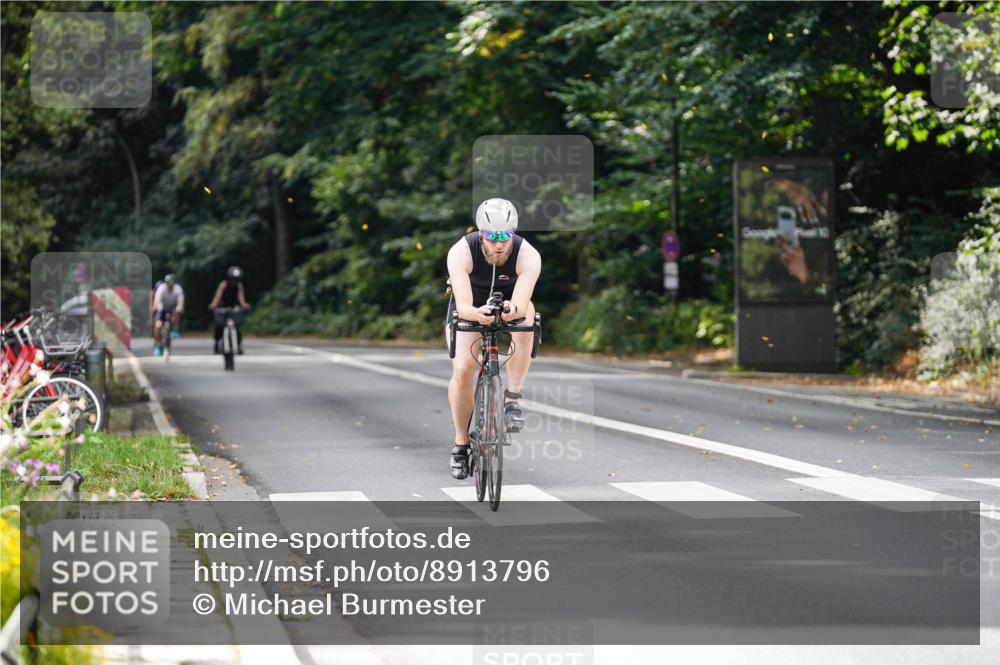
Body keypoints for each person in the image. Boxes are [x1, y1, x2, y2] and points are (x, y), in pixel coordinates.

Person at [445, 198, 541, 480]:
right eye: (491, 236)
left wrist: (511, 310)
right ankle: (461, 444)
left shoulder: (528, 255)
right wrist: (477, 314)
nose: (498, 244)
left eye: (505, 236)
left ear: (513, 233)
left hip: (510, 302)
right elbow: (463, 308)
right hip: (470, 305)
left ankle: (511, 399)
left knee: (527, 322)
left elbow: (522, 305)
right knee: (463, 369)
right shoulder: (461, 252)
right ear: (480, 233)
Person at [207, 266, 251, 354]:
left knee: (237, 326)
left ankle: (238, 345)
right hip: (222, 308)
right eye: (233, 279)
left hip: (234, 308)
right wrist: (214, 305)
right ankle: (217, 342)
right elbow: (217, 297)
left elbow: (241, 299)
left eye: (236, 279)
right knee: (219, 326)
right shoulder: (223, 285)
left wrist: (244, 305)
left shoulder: (239, 286)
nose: (234, 281)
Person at [152, 274, 184, 356]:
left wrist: (179, 307)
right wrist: (159, 308)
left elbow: (180, 301)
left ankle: (175, 330)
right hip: (162, 307)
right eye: (168, 283)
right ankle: (158, 346)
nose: (169, 285)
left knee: (177, 310)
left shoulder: (178, 289)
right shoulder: (161, 288)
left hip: (172, 307)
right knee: (158, 325)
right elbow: (157, 300)